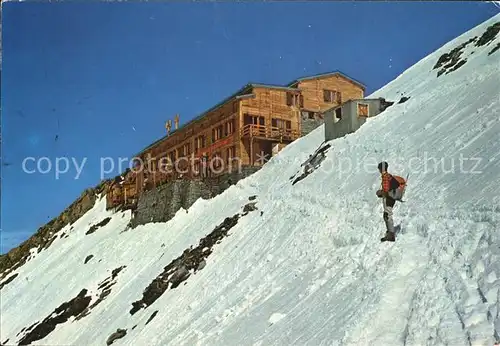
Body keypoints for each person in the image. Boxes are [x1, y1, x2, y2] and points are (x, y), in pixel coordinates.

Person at [376, 161, 406, 242]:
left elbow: (386, 190)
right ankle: (390, 232)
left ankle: (391, 234)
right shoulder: (389, 176)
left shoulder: (385, 177)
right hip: (391, 197)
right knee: (387, 214)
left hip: (389, 198)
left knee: (387, 215)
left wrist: (380, 193)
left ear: (380, 169)